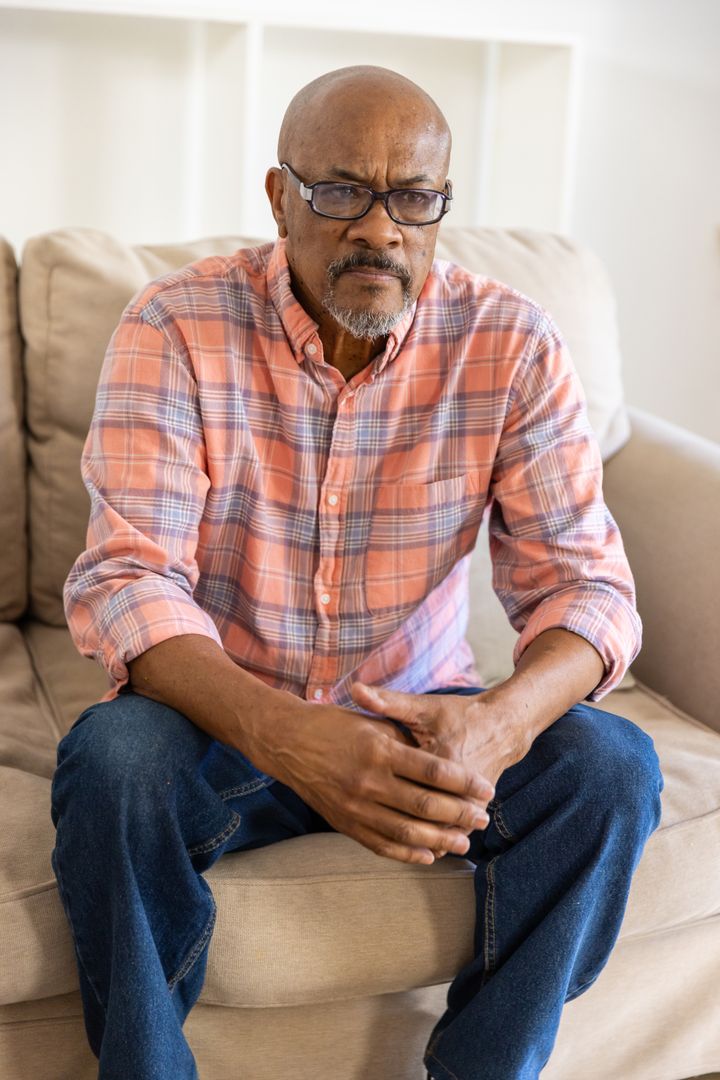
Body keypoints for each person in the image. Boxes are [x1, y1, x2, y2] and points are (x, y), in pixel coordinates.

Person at [51, 65, 663, 1080]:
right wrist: (291, 738)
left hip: (421, 723)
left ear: (439, 210)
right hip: (221, 721)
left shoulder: (511, 346)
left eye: (413, 199)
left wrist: (500, 723)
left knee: (613, 769)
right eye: (341, 191)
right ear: (280, 197)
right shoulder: (174, 326)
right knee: (113, 761)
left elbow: (587, 590)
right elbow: (129, 581)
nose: (379, 229)